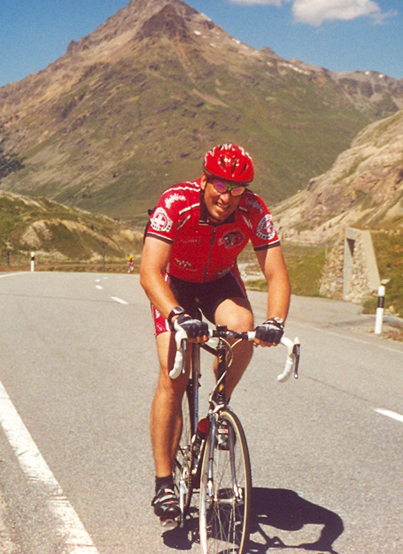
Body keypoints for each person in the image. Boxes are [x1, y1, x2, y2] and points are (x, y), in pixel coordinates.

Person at [139, 143, 291, 521]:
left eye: (238, 188)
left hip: (218, 281)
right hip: (174, 284)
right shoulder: (175, 203)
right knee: (174, 373)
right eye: (221, 184)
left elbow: (276, 273)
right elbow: (149, 272)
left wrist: (275, 321)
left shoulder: (255, 211)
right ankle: (163, 485)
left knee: (243, 329)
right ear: (205, 179)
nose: (227, 196)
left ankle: (219, 403)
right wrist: (176, 314)